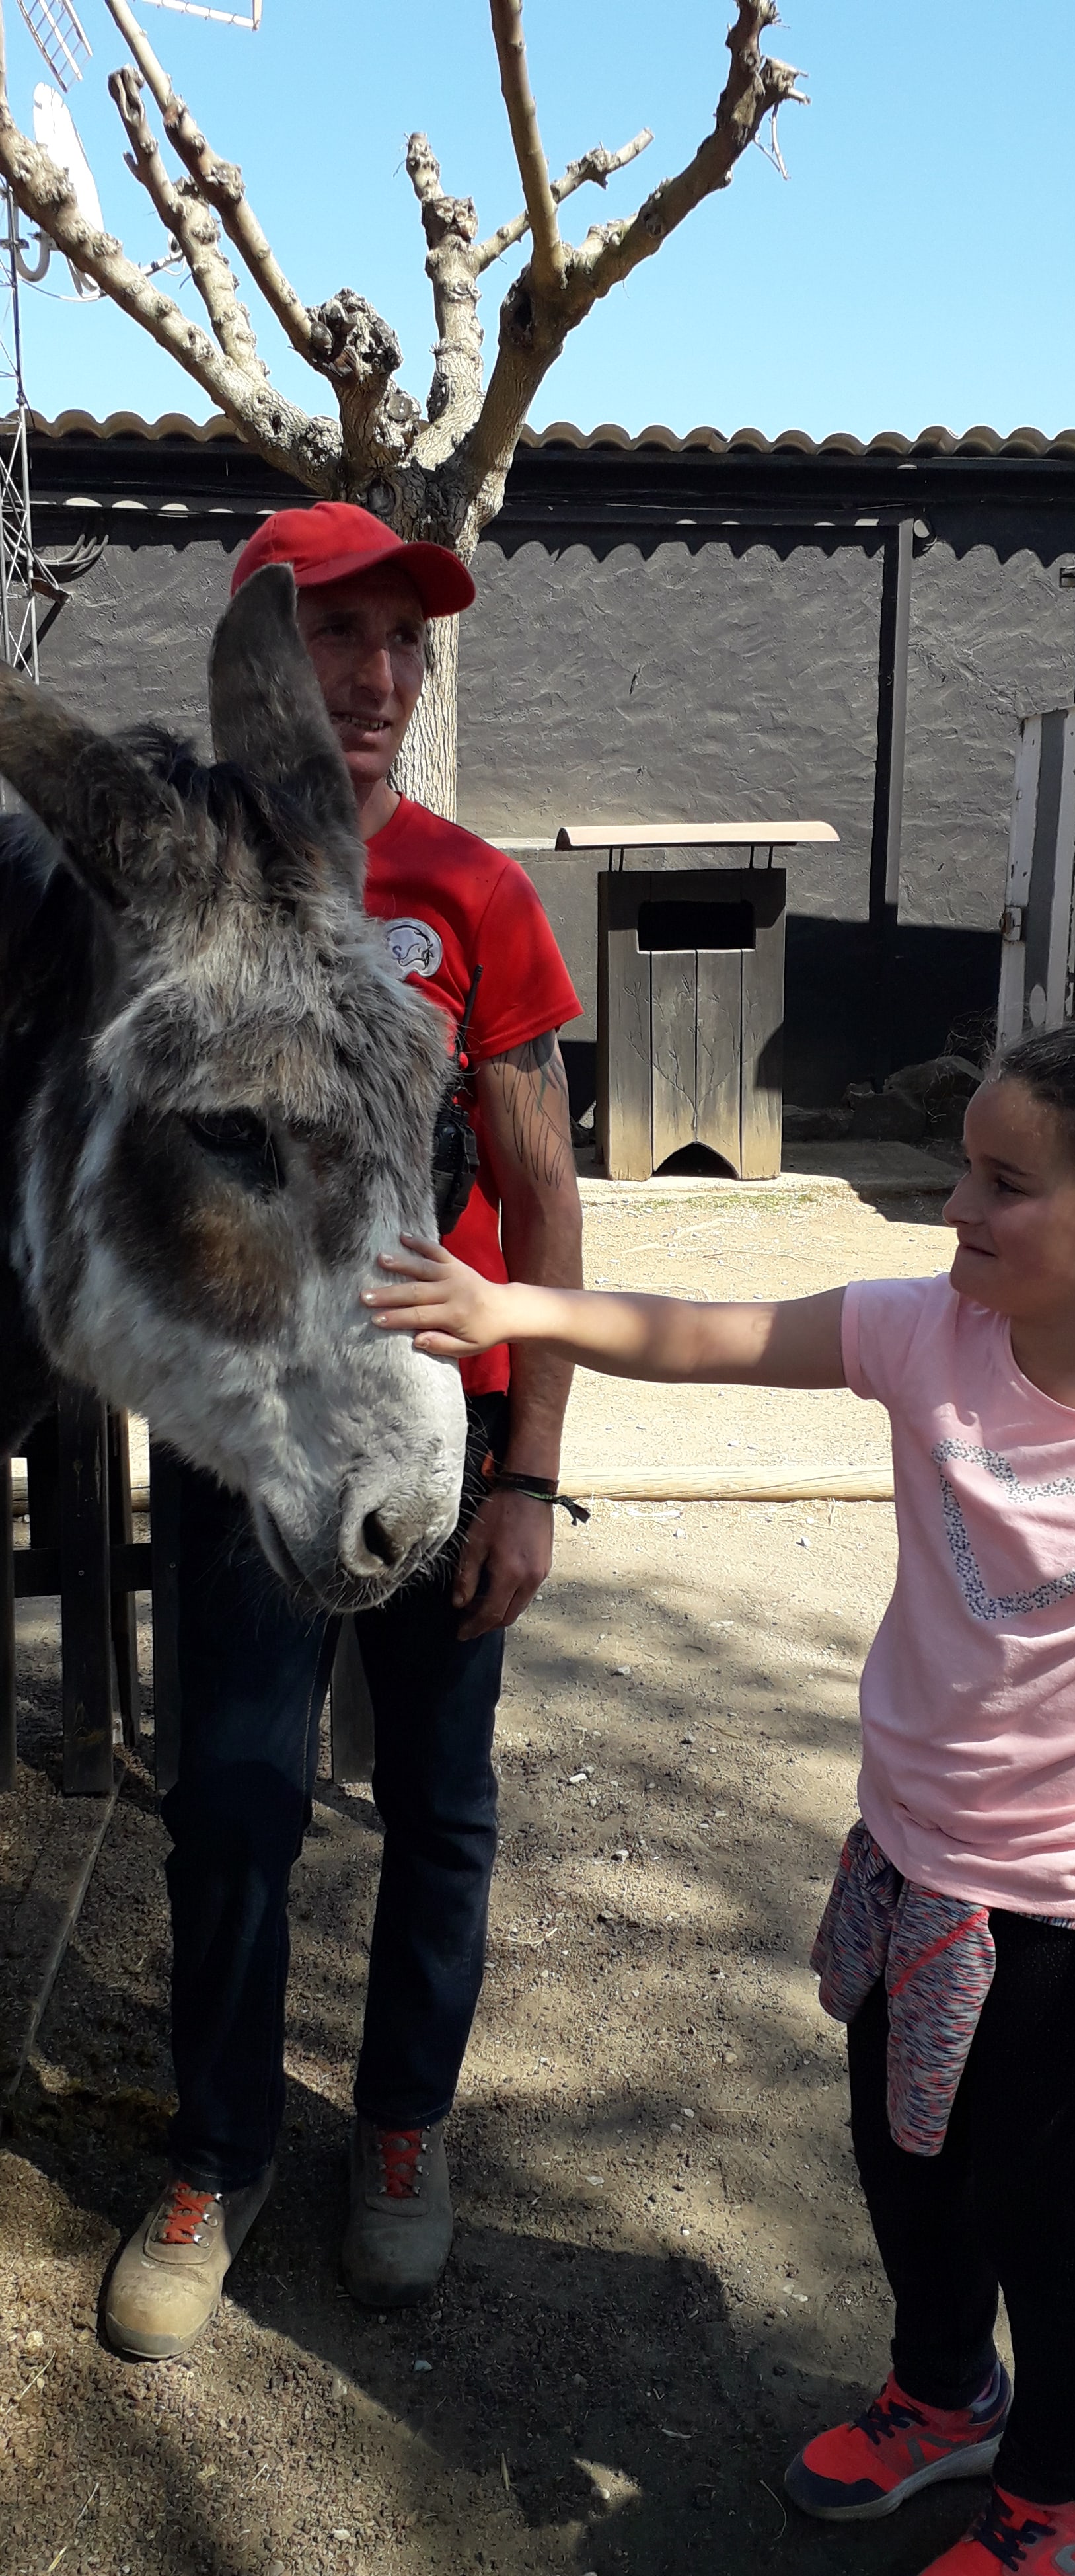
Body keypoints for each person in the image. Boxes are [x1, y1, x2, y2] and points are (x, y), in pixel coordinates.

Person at [361, 1019, 1075, 2576]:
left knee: (1034, 2212)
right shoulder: (927, 1334)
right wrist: (517, 1308)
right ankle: (944, 2393)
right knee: (900, 2166)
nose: (955, 1207)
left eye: (1003, 1184)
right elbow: (713, 1331)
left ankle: (1065, 2494)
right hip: (909, 1876)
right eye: (964, 1170)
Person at [106, 502, 584, 2359]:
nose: (379, 678)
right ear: (255, 659)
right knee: (232, 1797)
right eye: (338, 636)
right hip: (247, 1425)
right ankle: (219, 2152)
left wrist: (530, 1475)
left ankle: (401, 2130)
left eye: (405, 643)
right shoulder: (159, 895)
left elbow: (543, 1202)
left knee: (440, 1805)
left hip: (445, 1420)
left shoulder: (475, 896)